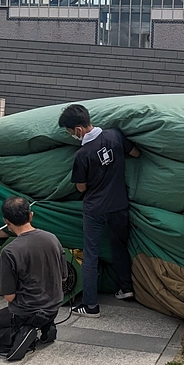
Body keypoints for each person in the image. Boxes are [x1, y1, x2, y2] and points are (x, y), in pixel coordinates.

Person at [58, 104, 141, 317]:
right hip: (120, 205)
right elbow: (136, 152)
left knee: (91, 255)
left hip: (95, 208)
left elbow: (81, 186)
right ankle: (126, 287)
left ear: (78, 130)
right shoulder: (114, 135)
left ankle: (90, 305)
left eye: (70, 132)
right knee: (120, 246)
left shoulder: (83, 154)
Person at [0, 196, 68, 361]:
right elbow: (63, 277)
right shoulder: (52, 238)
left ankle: (21, 334)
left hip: (26, 311)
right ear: (31, 215)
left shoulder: (9, 251)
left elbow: (9, 296)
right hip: (54, 306)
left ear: (6, 221)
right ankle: (46, 325)